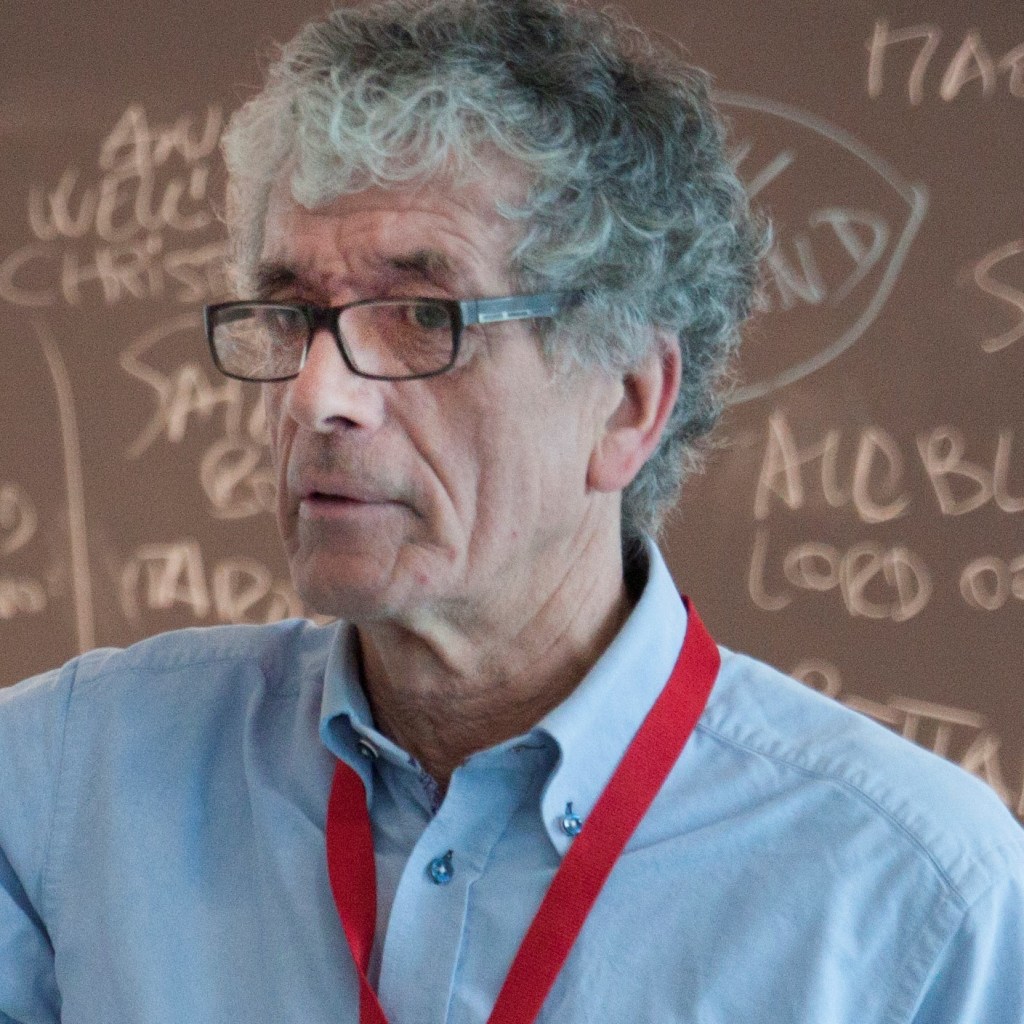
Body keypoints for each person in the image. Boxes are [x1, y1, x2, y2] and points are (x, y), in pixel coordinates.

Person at [2, 0, 1022, 1020]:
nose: (316, 396)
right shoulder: (62, 793)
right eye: (292, 315)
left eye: (419, 318)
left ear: (627, 400)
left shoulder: (914, 899)